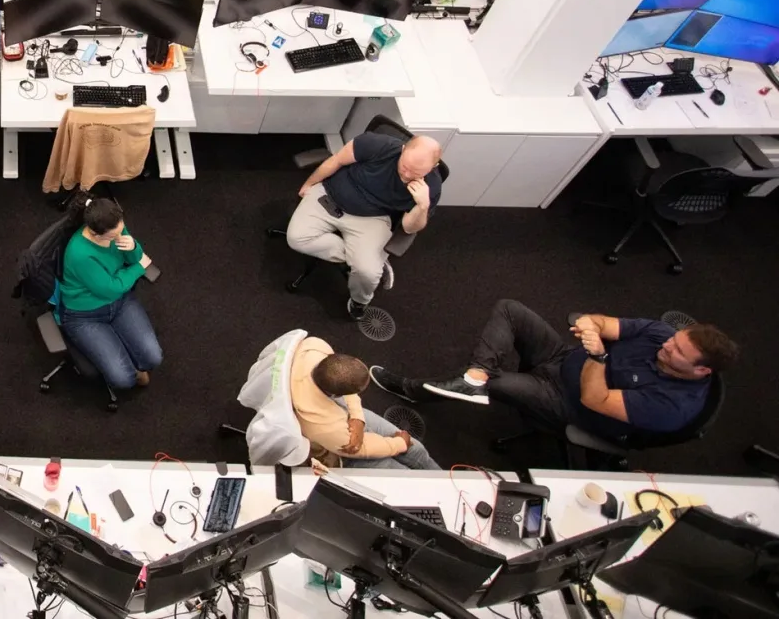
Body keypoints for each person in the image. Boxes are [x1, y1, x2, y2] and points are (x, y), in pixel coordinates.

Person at [370, 302, 738, 444]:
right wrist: (593, 330)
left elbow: (596, 399)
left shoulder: (673, 406)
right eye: (674, 340)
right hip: (566, 357)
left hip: (569, 402)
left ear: (700, 369)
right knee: (510, 311)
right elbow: (598, 320)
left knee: (496, 384)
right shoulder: (663, 334)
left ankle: (413, 389)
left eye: (677, 352)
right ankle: (474, 376)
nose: (667, 346)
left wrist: (597, 357)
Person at [286, 131, 443, 320]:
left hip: (373, 218)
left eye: (416, 173)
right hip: (330, 195)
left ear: (434, 167)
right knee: (296, 239)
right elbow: (337, 160)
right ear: (403, 150)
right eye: (404, 167)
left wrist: (422, 205)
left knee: (367, 274)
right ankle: (365, 261)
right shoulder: (376, 145)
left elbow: (409, 229)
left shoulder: (431, 187)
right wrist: (309, 184)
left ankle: (359, 300)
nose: (407, 174)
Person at [56, 197, 161, 390]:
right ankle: (127, 363)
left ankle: (128, 353)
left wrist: (133, 248)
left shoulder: (114, 226)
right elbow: (111, 287)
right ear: (95, 234)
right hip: (85, 315)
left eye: (121, 229)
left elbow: (134, 258)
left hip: (119, 303)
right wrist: (138, 267)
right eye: (114, 236)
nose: (120, 236)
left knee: (153, 358)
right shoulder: (80, 254)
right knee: (123, 380)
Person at [293, 337, 440, 469]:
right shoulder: (322, 426)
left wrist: (357, 417)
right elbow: (359, 449)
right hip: (338, 452)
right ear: (337, 395)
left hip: (335, 412)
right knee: (400, 472)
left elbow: (342, 378)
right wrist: (399, 444)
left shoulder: (314, 347)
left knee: (416, 450)